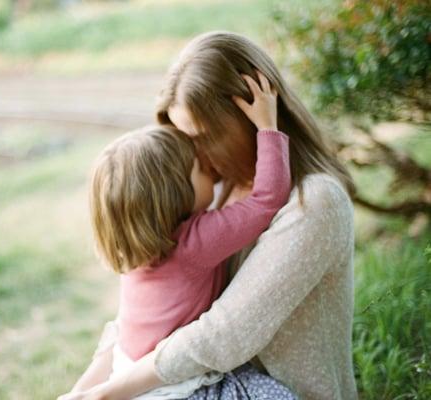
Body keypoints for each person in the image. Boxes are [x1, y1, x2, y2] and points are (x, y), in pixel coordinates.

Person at [61, 30, 357, 400]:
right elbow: (145, 315)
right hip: (191, 382)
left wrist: (107, 393)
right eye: (184, 142)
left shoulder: (314, 203)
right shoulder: (218, 190)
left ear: (245, 117)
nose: (193, 158)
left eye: (201, 138)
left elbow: (224, 334)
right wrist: (85, 388)